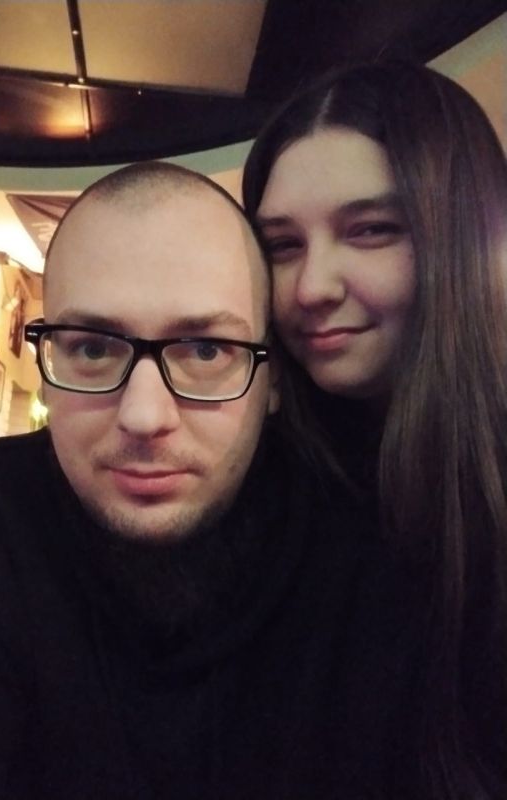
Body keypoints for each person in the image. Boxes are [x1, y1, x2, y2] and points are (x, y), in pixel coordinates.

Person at [0, 161, 418, 799]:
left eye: (206, 350)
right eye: (93, 348)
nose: (145, 417)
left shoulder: (367, 551)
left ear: (273, 383)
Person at [242, 60, 507, 800]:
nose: (312, 287)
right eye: (282, 245)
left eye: (370, 231)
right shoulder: (258, 483)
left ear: (460, 235)